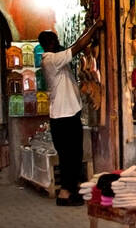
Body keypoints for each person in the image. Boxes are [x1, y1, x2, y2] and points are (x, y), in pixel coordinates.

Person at [38, 22, 102, 206]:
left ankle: (71, 190)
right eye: (55, 39)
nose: (58, 41)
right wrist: (94, 28)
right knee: (68, 156)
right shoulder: (50, 59)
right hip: (63, 116)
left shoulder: (55, 59)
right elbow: (77, 47)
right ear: (48, 44)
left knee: (73, 155)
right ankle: (66, 193)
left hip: (67, 114)